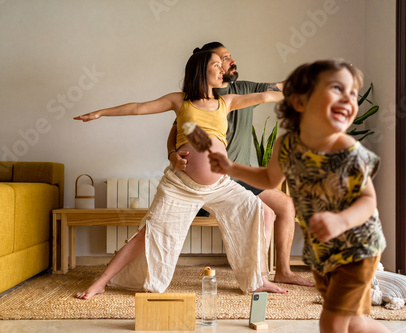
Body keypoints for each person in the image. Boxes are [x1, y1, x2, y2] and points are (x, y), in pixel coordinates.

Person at [73, 50, 283, 299]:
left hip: (220, 186)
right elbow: (139, 108)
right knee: (148, 234)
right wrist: (101, 112)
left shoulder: (228, 102)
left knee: (262, 212)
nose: (222, 70)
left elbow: (268, 95)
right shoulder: (180, 100)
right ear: (200, 72)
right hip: (181, 185)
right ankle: (102, 282)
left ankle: (258, 279)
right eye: (216, 65)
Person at [208, 59, 389, 333]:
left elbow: (368, 201)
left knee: (333, 321)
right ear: (300, 101)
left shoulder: (346, 148)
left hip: (357, 247)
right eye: (337, 88)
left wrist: (340, 222)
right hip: (322, 252)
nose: (349, 98)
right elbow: (268, 179)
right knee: (355, 322)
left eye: (352, 93)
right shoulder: (287, 145)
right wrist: (232, 168)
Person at [167, 42, 313, 292]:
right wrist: (172, 154)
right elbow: (177, 131)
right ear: (210, 66)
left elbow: (279, 88)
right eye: (223, 58)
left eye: (230, 56)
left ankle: (279, 272)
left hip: (239, 177)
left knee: (282, 207)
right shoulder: (196, 98)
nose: (231, 60)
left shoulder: (243, 91)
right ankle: (260, 275)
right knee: (270, 210)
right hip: (212, 180)